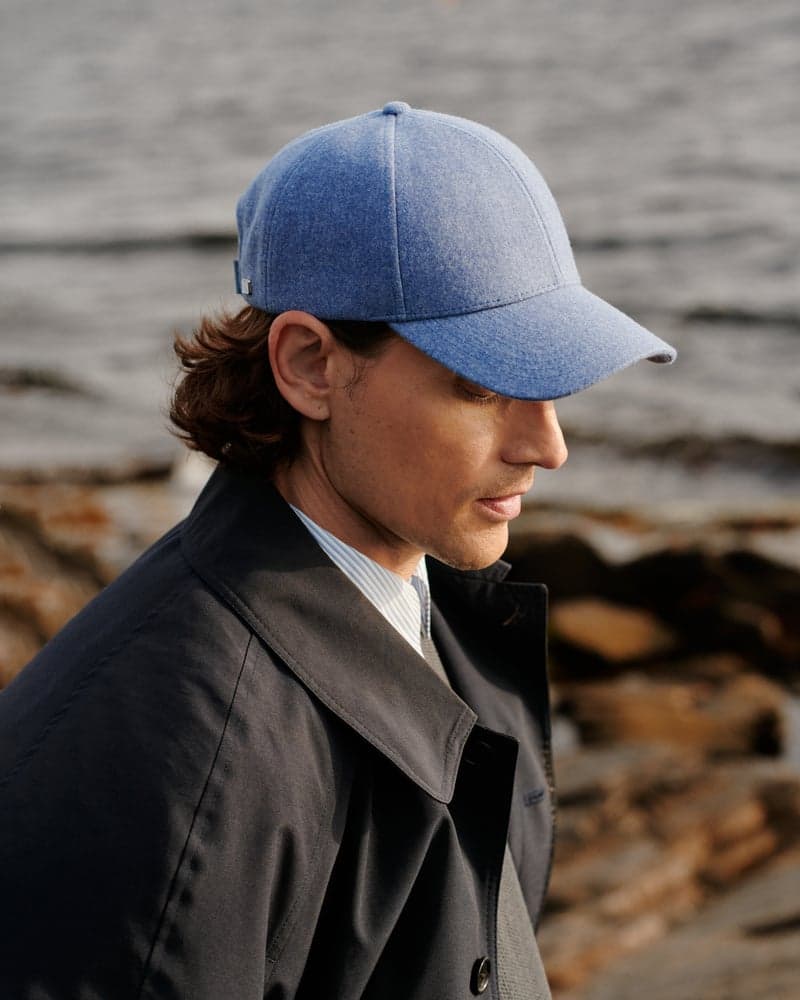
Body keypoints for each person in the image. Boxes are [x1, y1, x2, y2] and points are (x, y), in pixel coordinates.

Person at [0, 101, 675, 999]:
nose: (548, 446)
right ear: (310, 365)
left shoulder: (435, 606)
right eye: (482, 385)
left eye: (550, 379)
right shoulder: (180, 765)